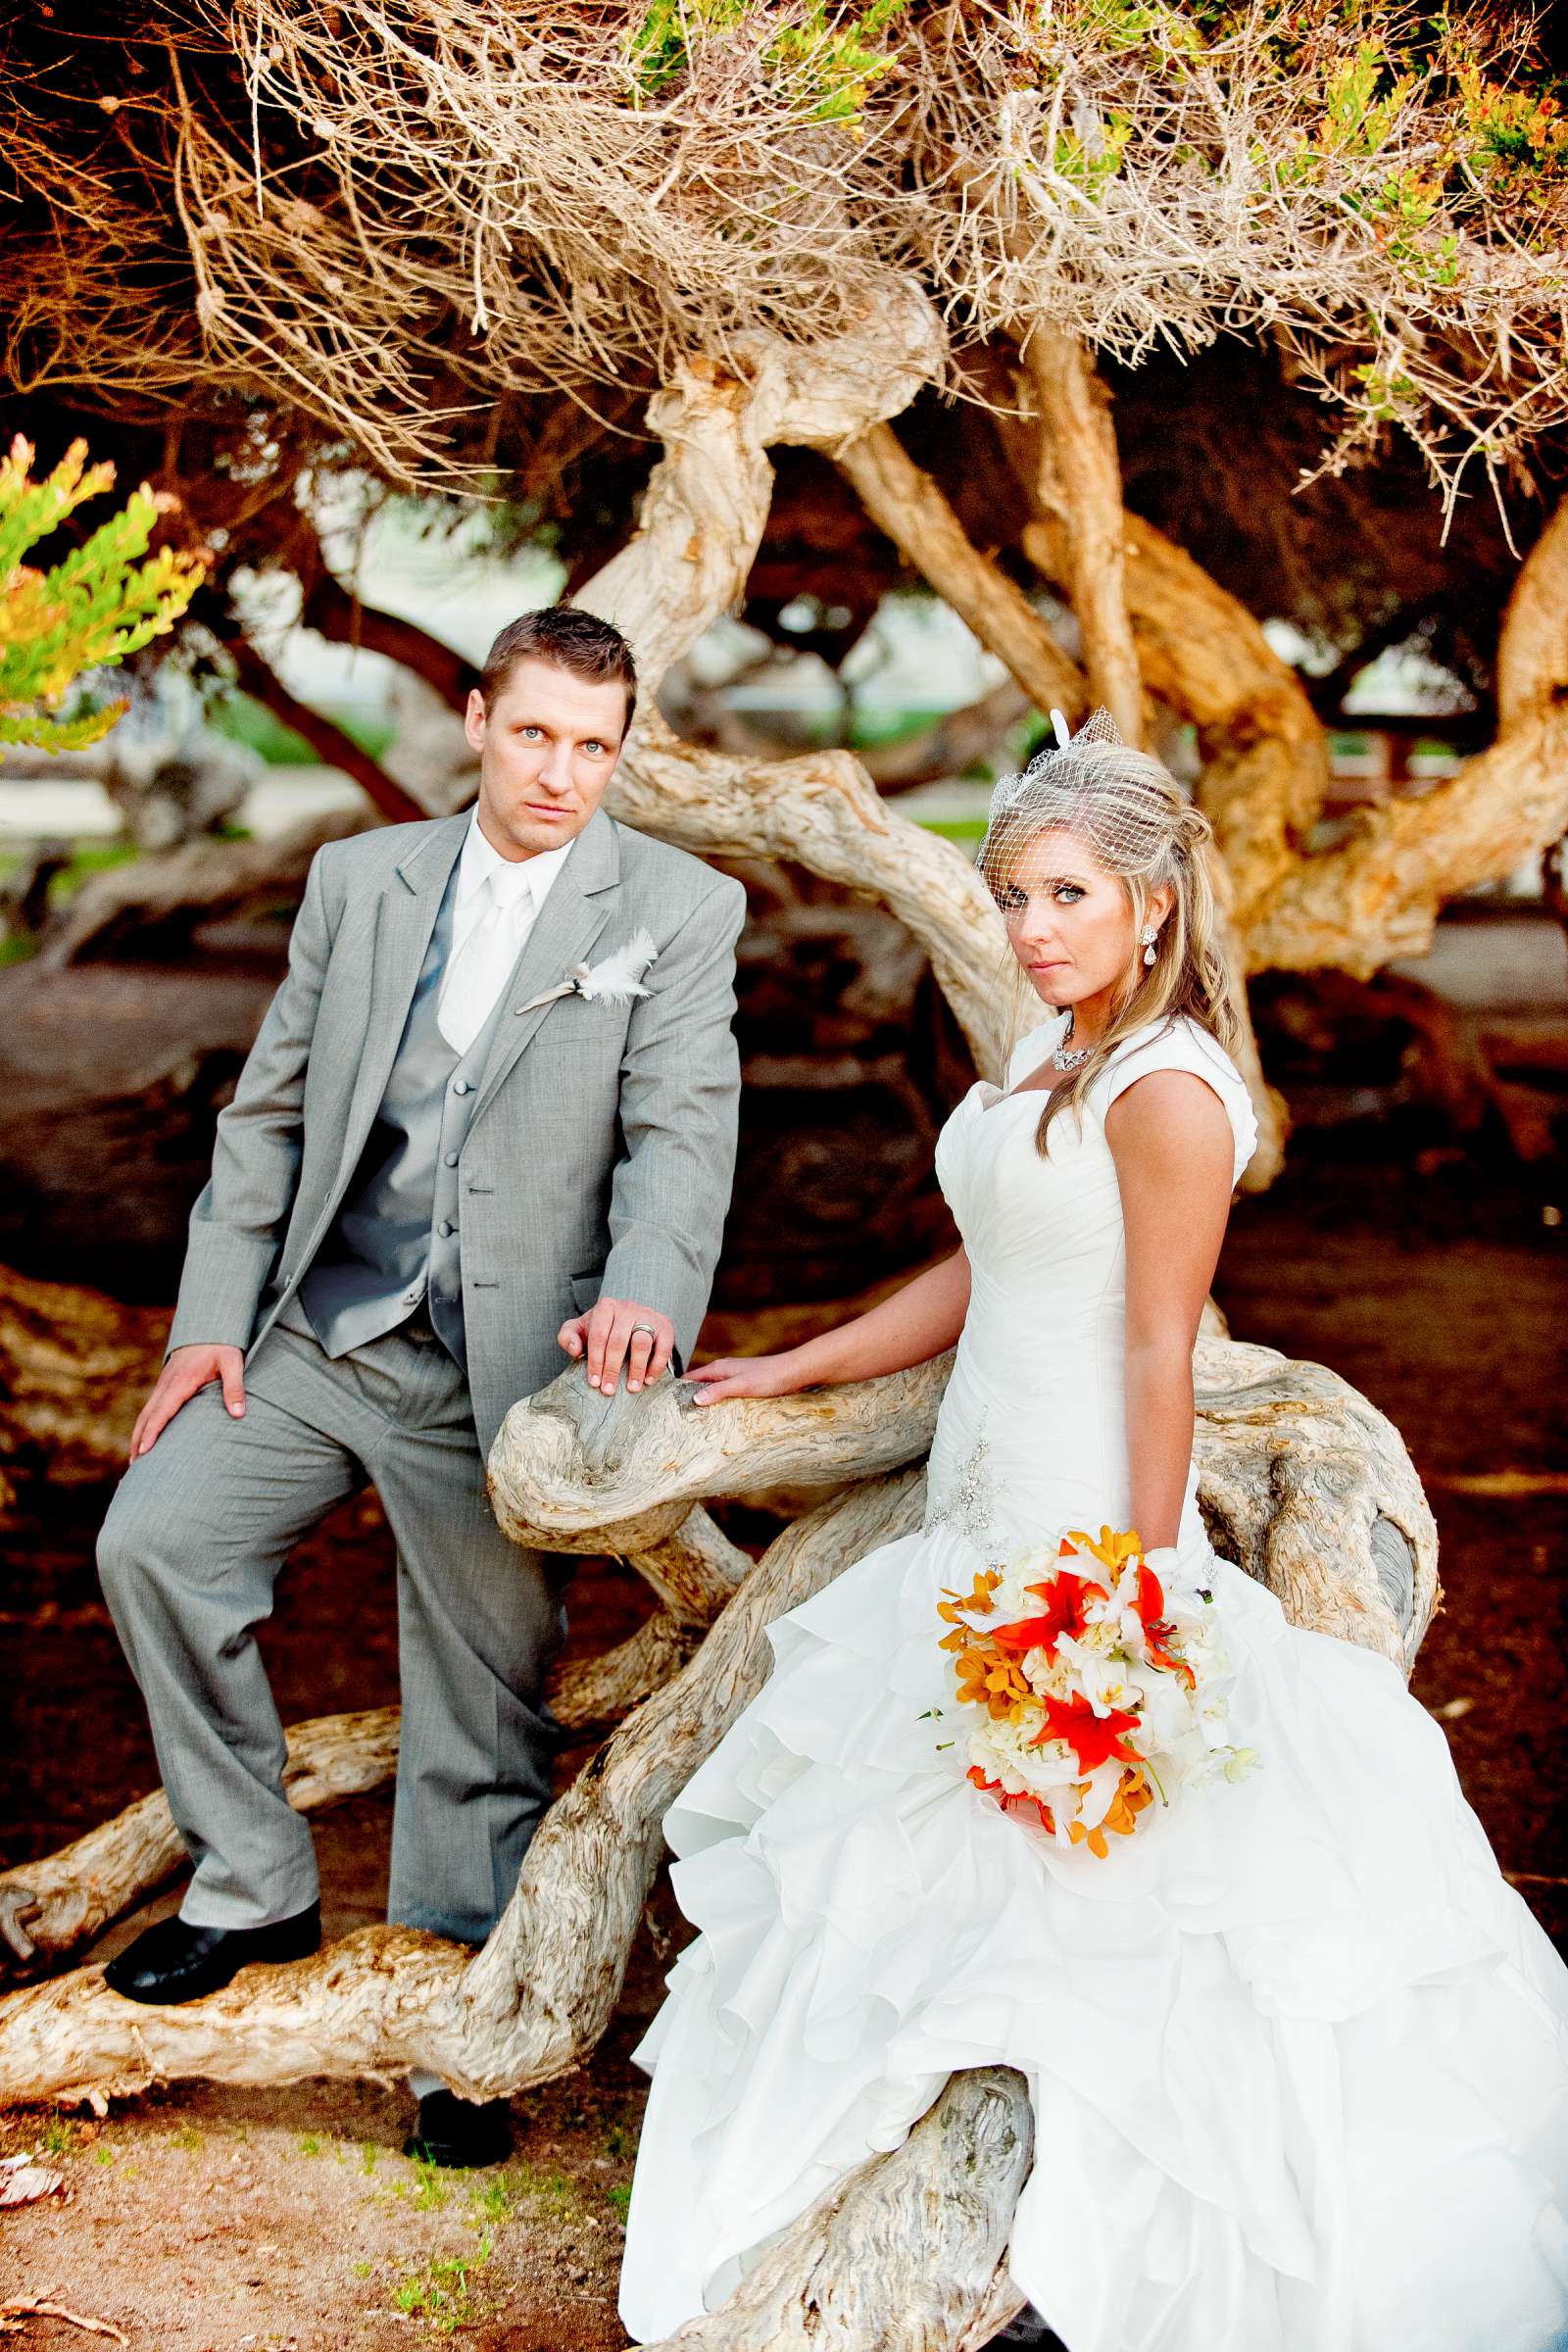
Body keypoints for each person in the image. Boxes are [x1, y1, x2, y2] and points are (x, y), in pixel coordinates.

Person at [618, 713, 1568, 2350]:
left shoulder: (1173, 1090)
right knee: (950, 1870)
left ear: (1152, 902)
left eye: (1066, 894)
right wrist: (798, 1356)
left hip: (1080, 1529)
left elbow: (1154, 1345)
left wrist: (1139, 1593)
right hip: (971, 1520)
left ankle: (1098, 2256)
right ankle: (988, 2216)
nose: (1031, 927)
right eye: (1012, 895)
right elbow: (981, 1261)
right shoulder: (1045, 1054)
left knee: (1107, 1898)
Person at [96, 605, 746, 2169]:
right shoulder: (357, 881)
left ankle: (461, 2025)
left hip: (509, 1371)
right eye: (537, 734)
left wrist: (647, 1294)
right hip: (326, 1331)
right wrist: (211, 1320)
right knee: (153, 1546)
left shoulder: (677, 904)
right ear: (474, 720)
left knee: (485, 1696)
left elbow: (683, 1129)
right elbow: (265, 1118)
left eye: (597, 746)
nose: (564, 774)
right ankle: (251, 1883)